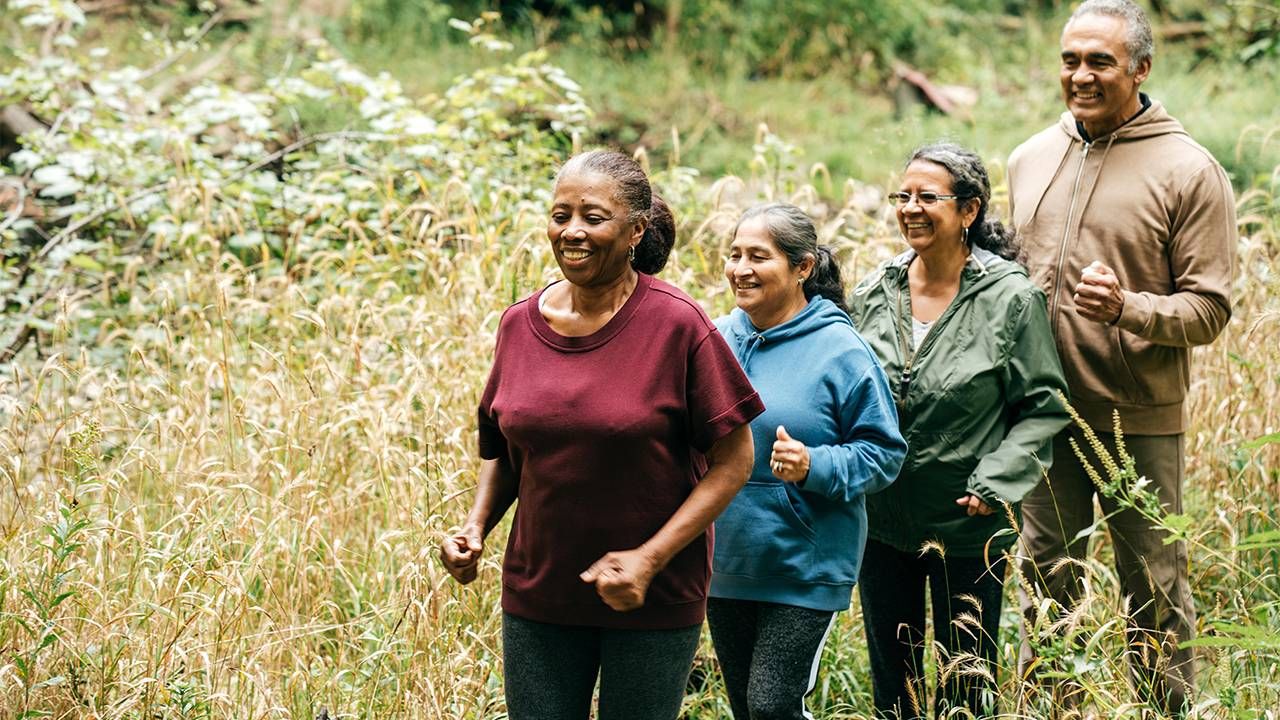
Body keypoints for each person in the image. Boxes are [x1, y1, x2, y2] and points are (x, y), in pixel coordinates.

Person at [438, 149, 764, 720]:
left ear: (636, 229)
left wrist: (649, 558)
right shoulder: (519, 324)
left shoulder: (677, 325)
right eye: (561, 215)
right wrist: (475, 528)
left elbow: (734, 461)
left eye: (593, 216)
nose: (572, 232)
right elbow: (505, 451)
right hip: (539, 592)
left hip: (652, 595)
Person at [1008, 1, 1236, 713]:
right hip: (1044, 418)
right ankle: (1054, 710)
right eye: (1071, 59)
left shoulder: (1189, 170)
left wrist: (1130, 308)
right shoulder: (1029, 156)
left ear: (1140, 68)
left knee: (1156, 593)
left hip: (1136, 420)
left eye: (1100, 61)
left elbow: (1210, 309)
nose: (1081, 74)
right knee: (1046, 588)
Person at [848, 143, 1070, 718]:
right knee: (892, 685)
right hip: (882, 520)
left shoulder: (1011, 298)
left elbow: (1043, 408)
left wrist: (995, 481)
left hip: (966, 522)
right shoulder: (877, 290)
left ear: (968, 211)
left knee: (965, 686)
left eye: (928, 197)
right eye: (903, 196)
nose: (910, 208)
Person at [708, 202, 907, 720]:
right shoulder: (715, 339)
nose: (740, 268)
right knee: (746, 710)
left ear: (803, 268)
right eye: (734, 255)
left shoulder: (841, 351)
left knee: (772, 707)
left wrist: (813, 465)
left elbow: (884, 454)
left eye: (758, 256)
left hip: (803, 564)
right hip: (725, 559)